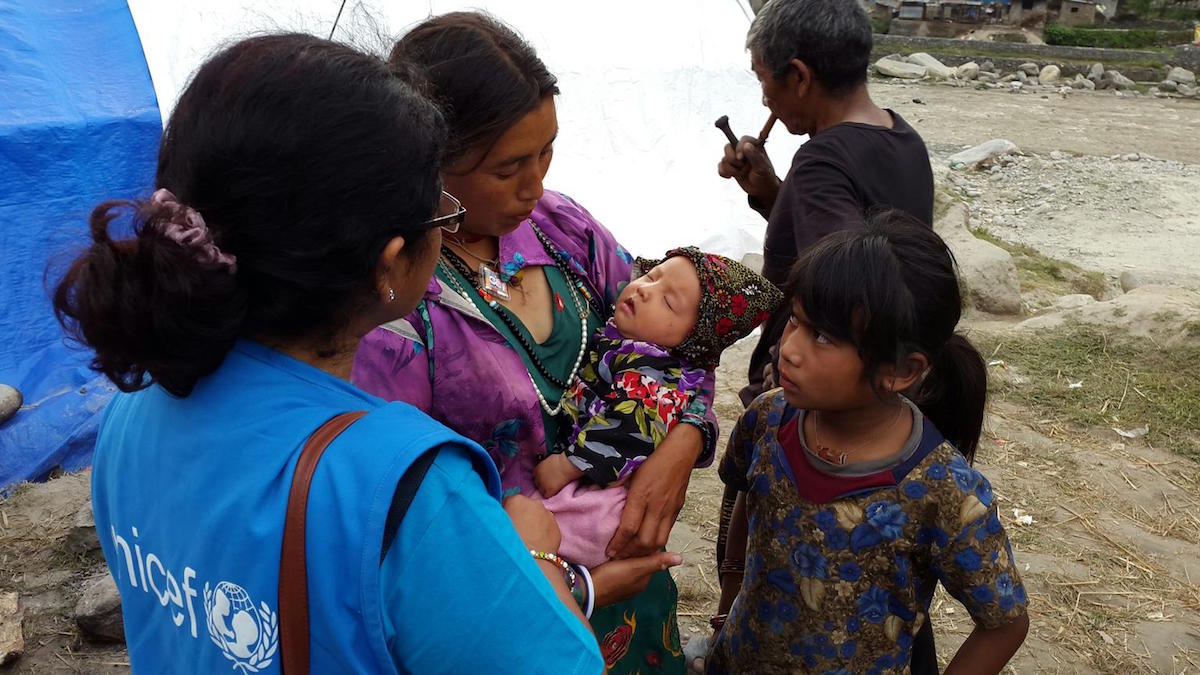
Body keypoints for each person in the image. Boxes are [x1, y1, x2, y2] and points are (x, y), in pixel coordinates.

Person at [52, 34, 603, 673]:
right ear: (388, 266)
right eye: (438, 212)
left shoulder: (136, 407)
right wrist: (542, 563)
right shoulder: (412, 492)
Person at [352, 12, 716, 672]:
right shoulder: (398, 303)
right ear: (427, 159)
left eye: (547, 151)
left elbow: (683, 337)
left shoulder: (561, 229)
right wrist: (578, 586)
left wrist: (686, 434)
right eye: (510, 167)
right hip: (506, 615)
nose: (537, 184)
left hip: (635, 592)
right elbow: (401, 518)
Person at [706, 212, 1030, 674]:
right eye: (795, 321)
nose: (789, 348)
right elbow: (746, 498)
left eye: (822, 336)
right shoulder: (770, 417)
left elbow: (1005, 623)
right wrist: (729, 596)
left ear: (900, 371)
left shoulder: (942, 488)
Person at [715, 0, 936, 407]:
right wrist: (771, 193)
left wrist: (778, 381)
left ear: (798, 76)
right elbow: (857, 240)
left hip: (820, 396)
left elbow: (841, 290)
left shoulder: (821, 161)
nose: (765, 99)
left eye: (764, 80)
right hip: (876, 378)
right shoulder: (905, 140)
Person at [535, 248, 782, 568]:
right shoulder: (632, 343)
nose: (644, 290)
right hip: (597, 482)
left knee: (549, 530)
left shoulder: (658, 374)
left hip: (605, 496)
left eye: (668, 302)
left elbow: (628, 427)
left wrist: (568, 466)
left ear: (690, 341)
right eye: (651, 277)